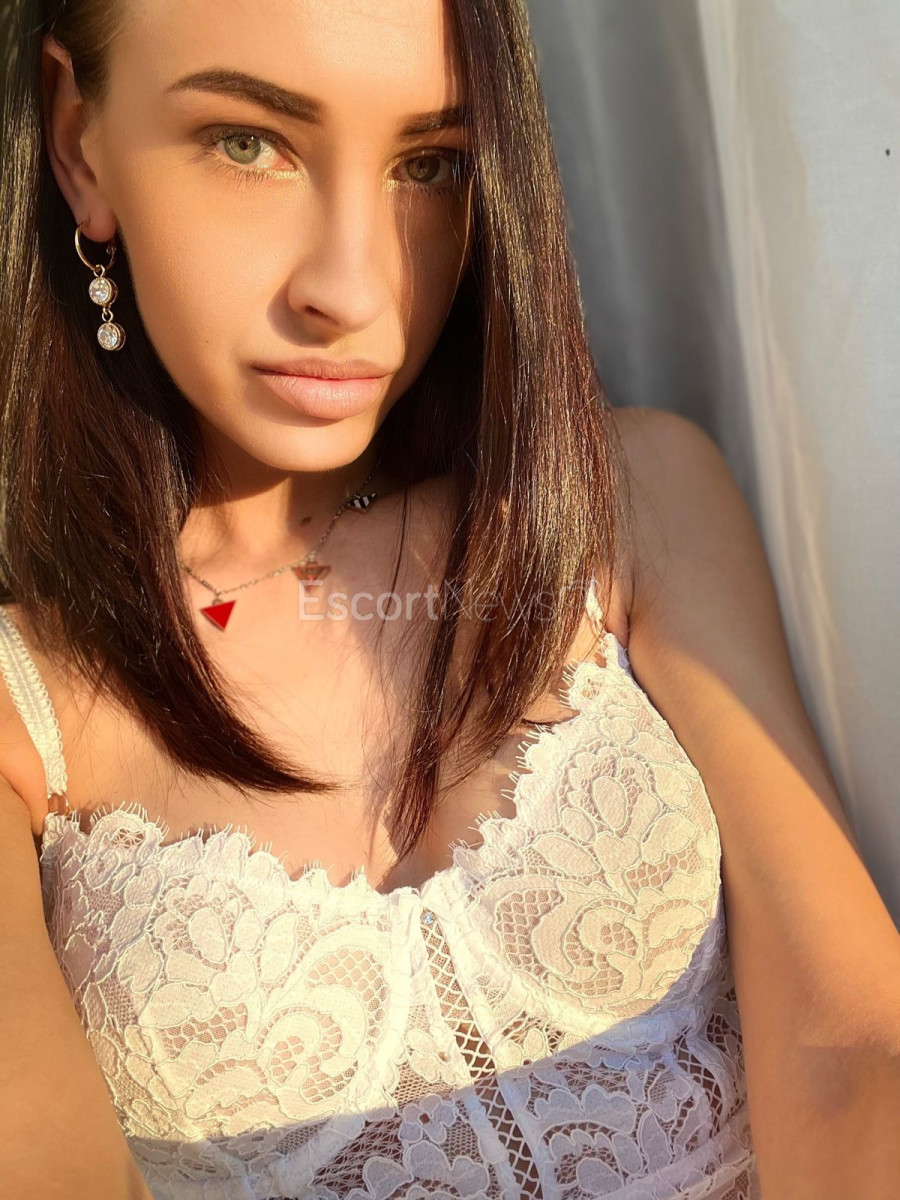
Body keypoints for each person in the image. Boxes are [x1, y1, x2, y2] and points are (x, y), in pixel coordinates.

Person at [1, 1, 898, 1197]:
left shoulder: (630, 508)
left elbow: (850, 1046)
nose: (354, 287)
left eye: (428, 164)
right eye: (249, 143)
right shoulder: (28, 704)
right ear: (77, 139)